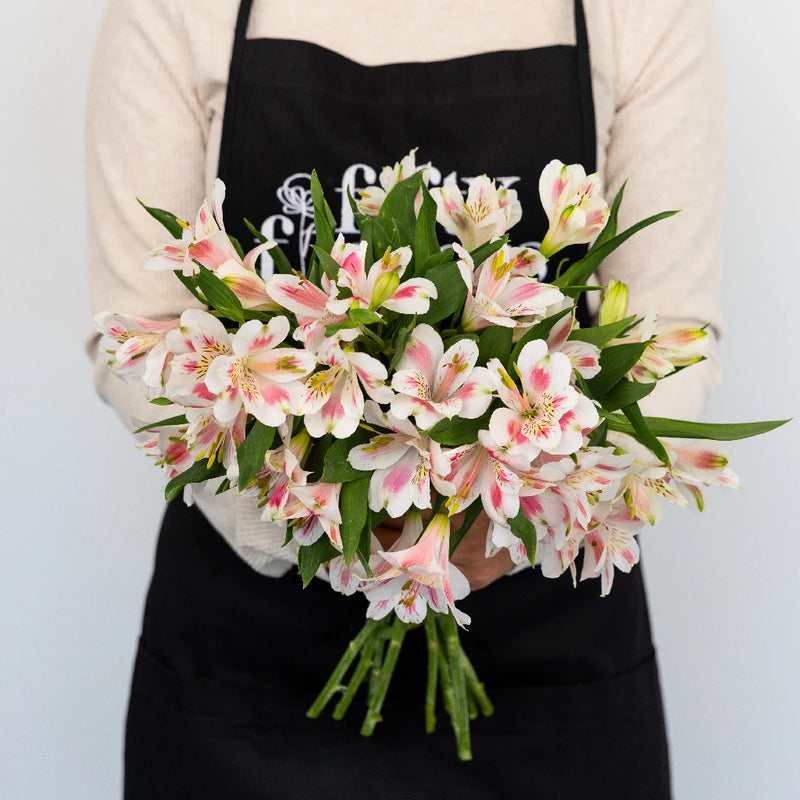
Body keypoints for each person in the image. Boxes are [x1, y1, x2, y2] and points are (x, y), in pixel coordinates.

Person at [86, 1, 725, 797]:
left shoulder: (640, 12)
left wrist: (518, 518)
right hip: (248, 659)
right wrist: (306, 516)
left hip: (548, 656)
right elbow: (135, 335)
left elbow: (674, 336)